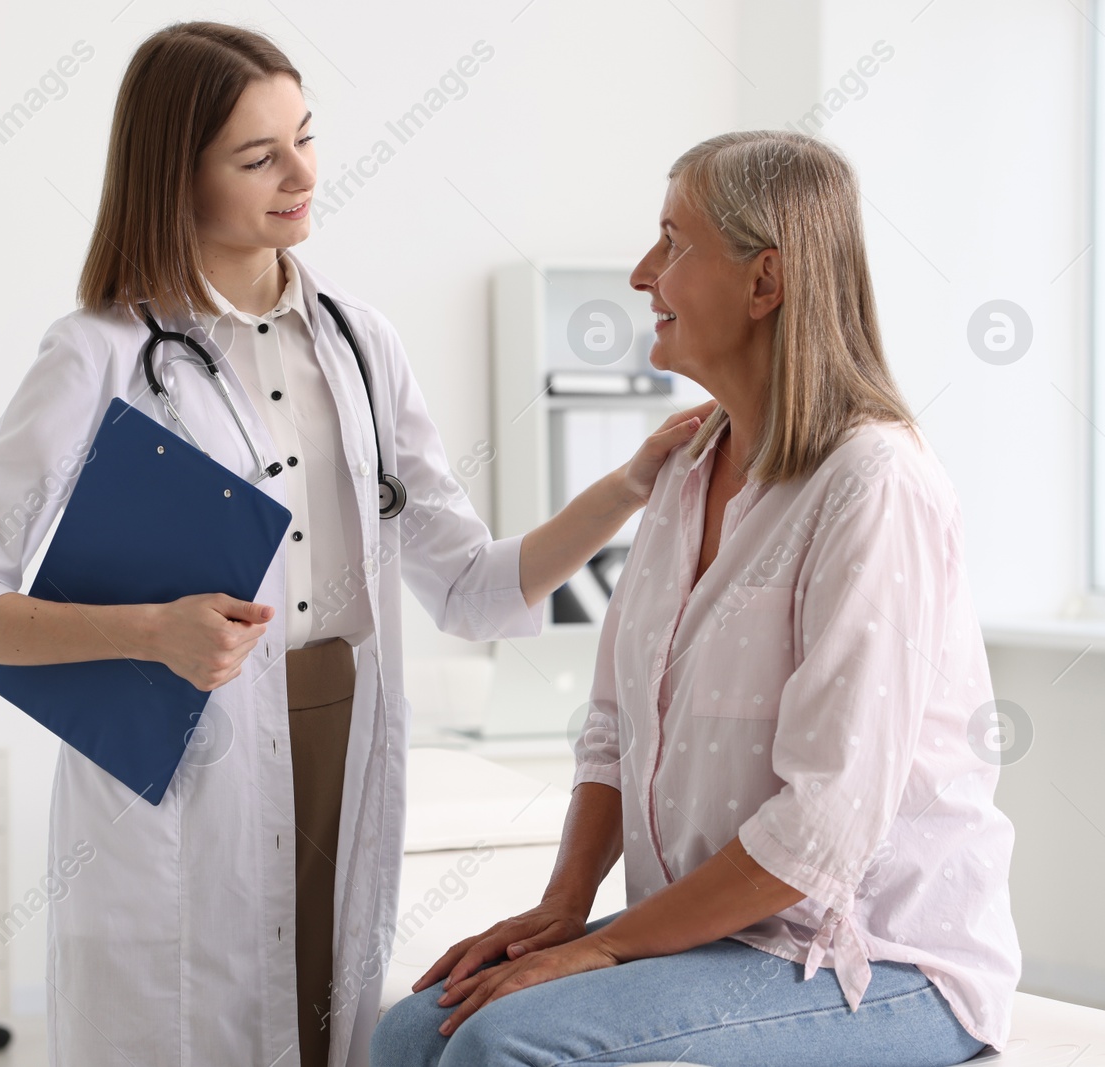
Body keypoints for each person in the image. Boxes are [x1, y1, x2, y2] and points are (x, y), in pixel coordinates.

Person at [0, 22, 710, 1067]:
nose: (301, 174)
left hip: (341, 730)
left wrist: (627, 485)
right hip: (187, 752)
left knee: (320, 1028)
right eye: (256, 156)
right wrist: (152, 632)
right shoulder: (97, 352)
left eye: (305, 136)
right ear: (175, 178)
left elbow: (469, 587)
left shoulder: (361, 344)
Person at [372, 130, 1022, 1067]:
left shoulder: (873, 482)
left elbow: (822, 826)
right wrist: (563, 907)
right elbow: (611, 727)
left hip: (874, 963)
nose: (643, 274)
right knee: (411, 1027)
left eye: (673, 243)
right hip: (717, 941)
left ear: (766, 284)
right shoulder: (686, 468)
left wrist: (601, 944)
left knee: (502, 1045)